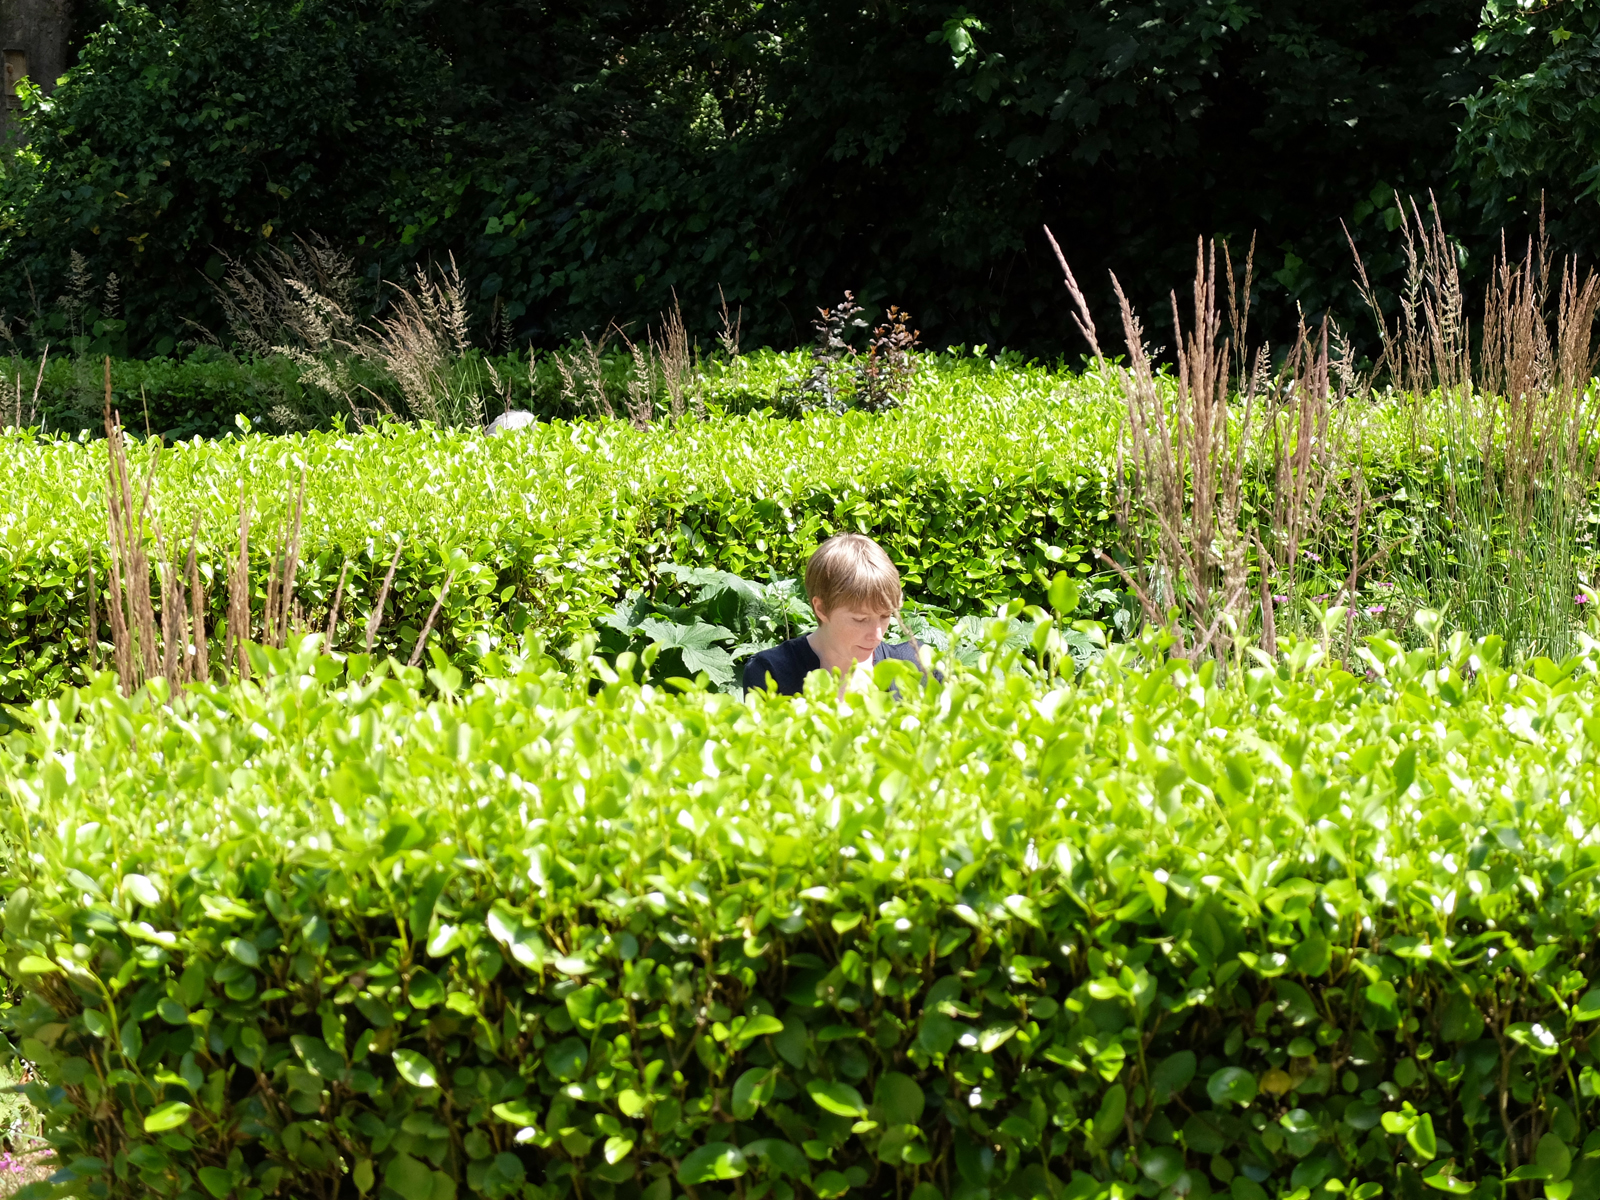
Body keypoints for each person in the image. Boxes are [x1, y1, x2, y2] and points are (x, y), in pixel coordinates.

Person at [743, 533, 924, 696]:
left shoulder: (918, 665)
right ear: (821, 609)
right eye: (861, 619)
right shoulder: (771, 672)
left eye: (885, 616)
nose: (877, 636)